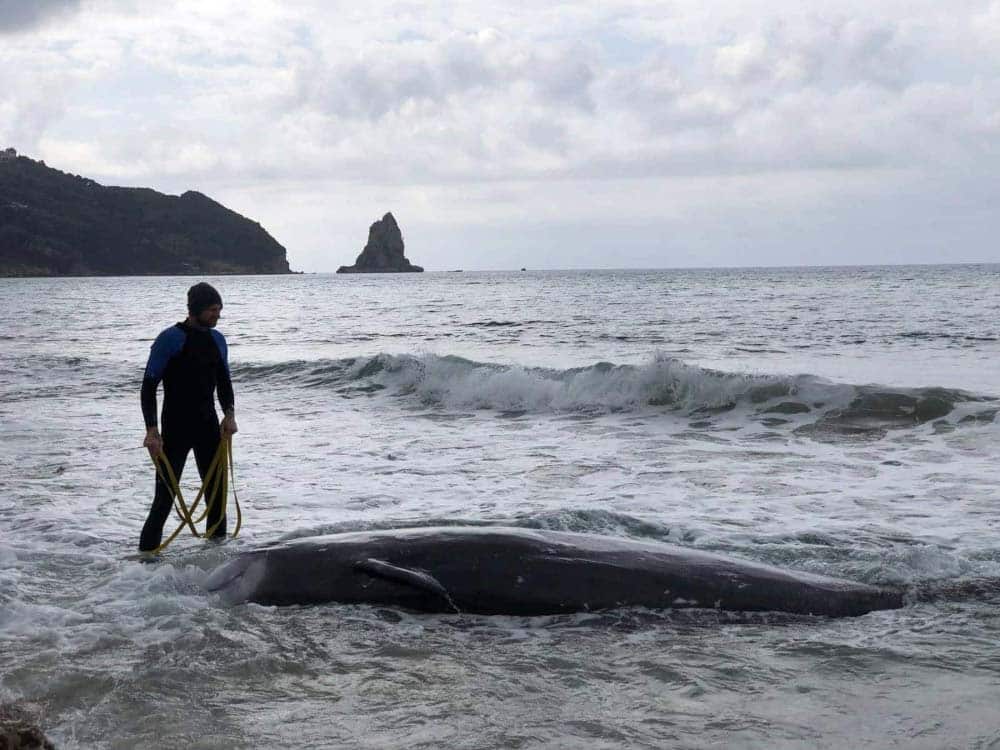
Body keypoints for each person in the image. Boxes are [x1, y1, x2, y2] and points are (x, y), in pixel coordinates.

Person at [139, 282, 238, 552]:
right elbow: (149, 386)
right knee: (164, 500)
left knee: (216, 499)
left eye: (219, 309)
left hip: (208, 428)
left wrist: (229, 415)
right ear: (196, 310)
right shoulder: (170, 338)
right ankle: (144, 566)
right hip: (175, 430)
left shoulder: (217, 340)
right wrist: (151, 430)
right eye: (212, 310)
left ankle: (217, 562)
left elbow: (224, 382)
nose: (217, 315)